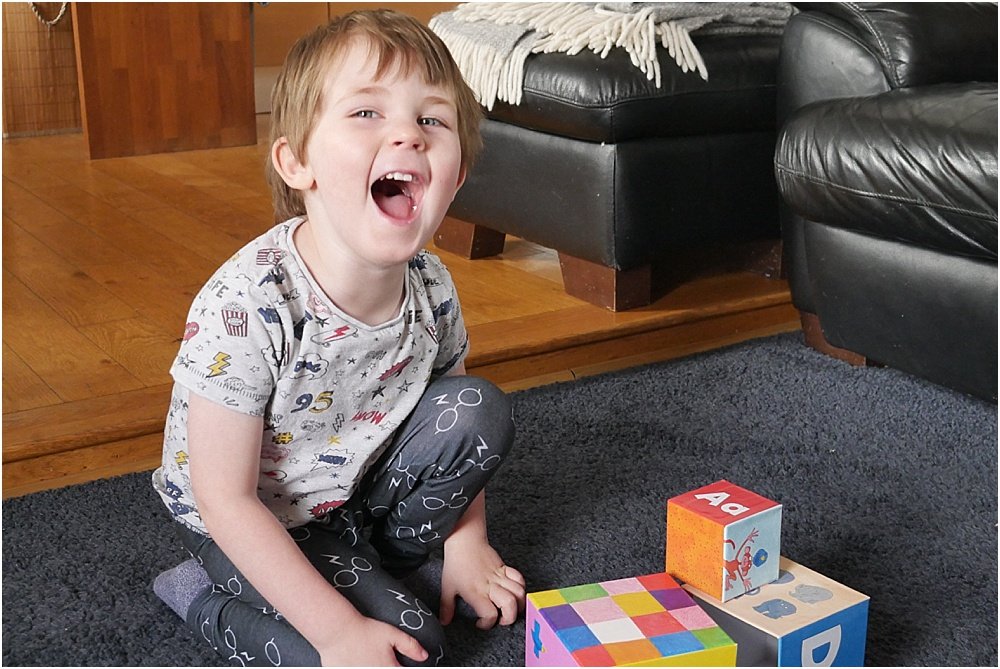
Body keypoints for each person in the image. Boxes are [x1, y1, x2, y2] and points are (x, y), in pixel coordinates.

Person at [150, 9, 524, 666]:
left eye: (432, 120)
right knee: (413, 646)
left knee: (478, 406)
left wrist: (467, 545)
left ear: (457, 176)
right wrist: (335, 632)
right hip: (250, 518)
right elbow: (225, 498)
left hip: (355, 489)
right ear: (298, 162)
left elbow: (453, 410)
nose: (408, 134)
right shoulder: (247, 306)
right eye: (366, 114)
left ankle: (377, 561)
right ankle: (196, 591)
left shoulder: (432, 285)